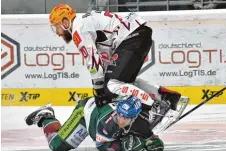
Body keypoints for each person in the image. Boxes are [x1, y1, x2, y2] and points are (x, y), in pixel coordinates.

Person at [49, 4, 181, 127]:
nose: (57, 33)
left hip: (131, 38)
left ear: (65, 22)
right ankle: (166, 96)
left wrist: (98, 91)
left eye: (57, 27)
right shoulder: (85, 22)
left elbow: (93, 63)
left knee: (112, 84)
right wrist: (101, 87)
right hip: (138, 34)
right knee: (122, 82)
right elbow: (104, 61)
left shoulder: (78, 30)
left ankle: (155, 108)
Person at [25, 95, 164, 151]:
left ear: (135, 117)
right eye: (120, 114)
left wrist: (155, 143)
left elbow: (150, 137)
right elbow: (102, 147)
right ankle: (46, 116)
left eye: (126, 117)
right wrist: (125, 146)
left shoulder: (141, 123)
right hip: (85, 114)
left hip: (99, 116)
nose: (121, 119)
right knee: (57, 145)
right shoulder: (107, 123)